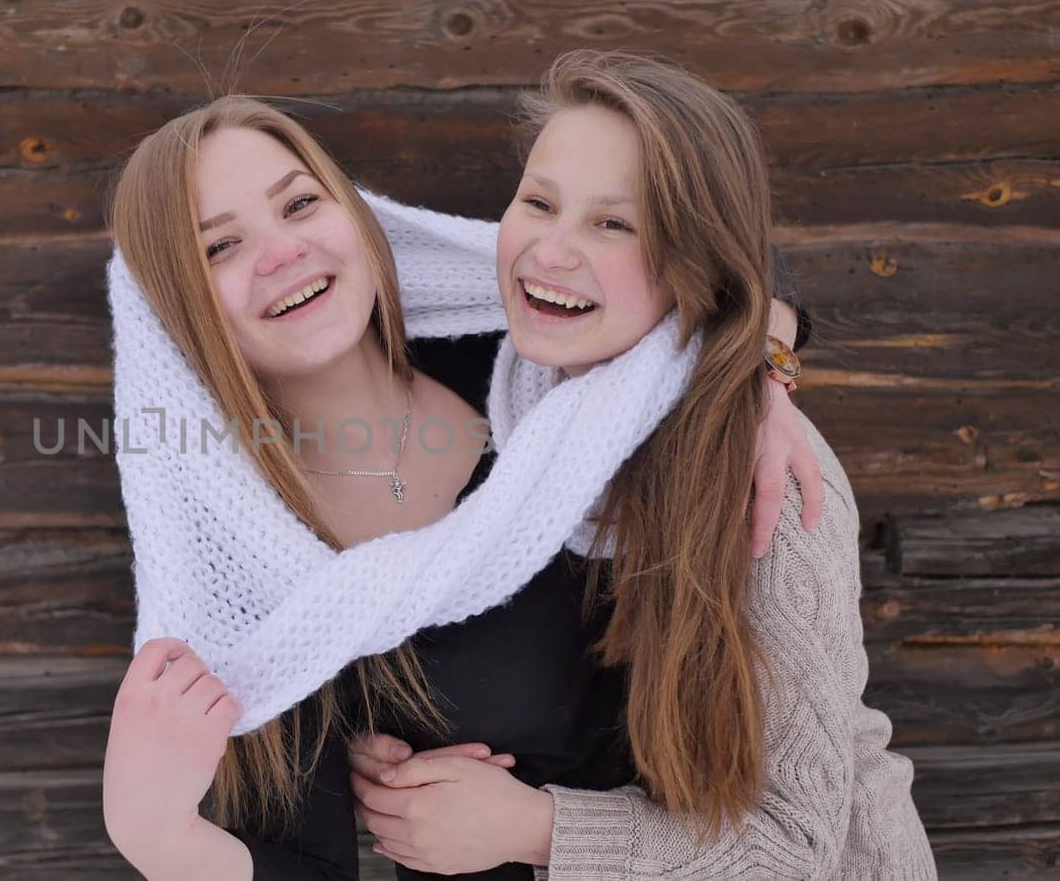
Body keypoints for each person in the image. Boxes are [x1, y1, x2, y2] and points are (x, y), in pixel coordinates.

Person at [97, 73, 843, 880]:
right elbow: (294, 858)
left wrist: (758, 356)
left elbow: (698, 244)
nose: (283, 253)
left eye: (301, 204)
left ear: (362, 215)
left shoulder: (550, 357)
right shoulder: (239, 559)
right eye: (220, 245)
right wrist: (158, 836)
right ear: (172, 304)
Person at [338, 51, 936, 878]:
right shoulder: (490, 382)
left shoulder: (764, 478)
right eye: (538, 202)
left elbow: (798, 845)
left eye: (613, 224)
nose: (551, 250)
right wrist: (389, 757)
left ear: (697, 259)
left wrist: (538, 830)